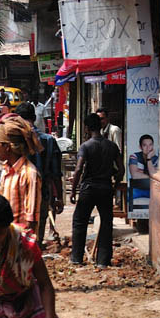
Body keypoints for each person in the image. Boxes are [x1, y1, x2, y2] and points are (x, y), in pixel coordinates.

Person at [70, 112, 124, 268]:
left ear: (86, 128)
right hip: (105, 188)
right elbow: (121, 169)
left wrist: (73, 190)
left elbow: (79, 168)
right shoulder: (111, 146)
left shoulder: (86, 146)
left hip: (88, 189)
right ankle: (103, 260)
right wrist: (115, 184)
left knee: (80, 222)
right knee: (106, 223)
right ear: (101, 126)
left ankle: (76, 258)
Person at [15, 102, 63, 247]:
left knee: (18, 224)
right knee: (38, 225)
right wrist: (59, 196)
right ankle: (35, 251)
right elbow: (56, 173)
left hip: (18, 190)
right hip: (42, 191)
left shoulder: (14, 140)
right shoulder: (48, 141)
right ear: (35, 118)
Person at [0, 116, 42, 235]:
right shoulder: (5, 170)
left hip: (20, 241)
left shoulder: (30, 174)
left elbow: (32, 219)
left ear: (7, 147)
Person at [128, 134, 158, 217]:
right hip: (137, 190)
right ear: (140, 147)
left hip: (151, 190)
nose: (148, 148)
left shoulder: (156, 159)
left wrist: (149, 158)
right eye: (145, 145)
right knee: (128, 196)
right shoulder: (134, 156)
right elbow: (135, 175)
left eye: (150, 145)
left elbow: (154, 175)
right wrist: (151, 177)